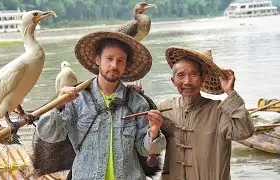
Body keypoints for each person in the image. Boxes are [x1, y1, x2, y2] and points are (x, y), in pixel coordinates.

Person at [36, 31, 166, 180]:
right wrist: (58, 105)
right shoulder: (77, 100)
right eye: (109, 58)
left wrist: (154, 131)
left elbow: (146, 149)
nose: (114, 65)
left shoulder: (136, 102)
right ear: (98, 59)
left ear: (126, 65)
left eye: (120, 61)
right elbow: (48, 134)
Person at [157, 46, 255, 180]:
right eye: (181, 75)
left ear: (203, 79)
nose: (187, 81)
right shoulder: (164, 108)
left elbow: (245, 131)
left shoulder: (219, 111)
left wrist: (230, 92)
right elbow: (152, 150)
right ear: (173, 81)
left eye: (193, 74)